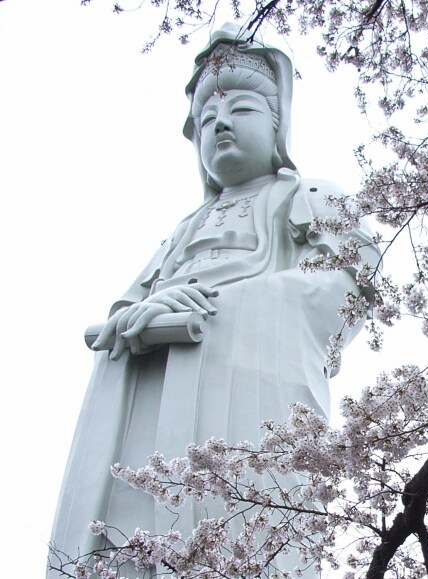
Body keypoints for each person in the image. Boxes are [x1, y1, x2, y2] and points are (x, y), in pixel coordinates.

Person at [48, 23, 379, 577]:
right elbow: (127, 304)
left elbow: (349, 283)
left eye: (242, 110)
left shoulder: (308, 195)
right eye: (205, 120)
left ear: (277, 127)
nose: (220, 123)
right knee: (125, 522)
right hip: (148, 379)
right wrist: (133, 321)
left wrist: (219, 310)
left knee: (238, 519)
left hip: (245, 375)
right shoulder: (184, 227)